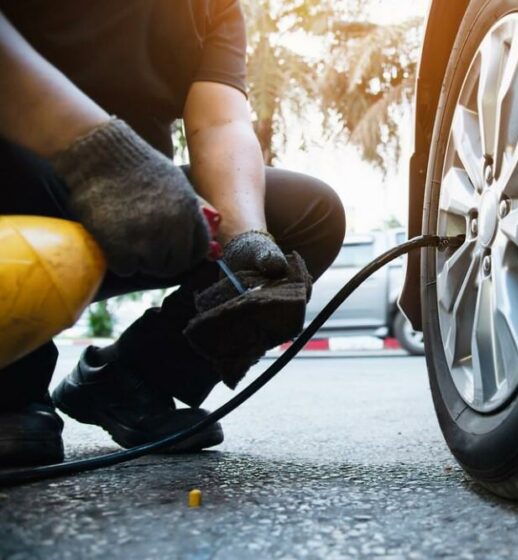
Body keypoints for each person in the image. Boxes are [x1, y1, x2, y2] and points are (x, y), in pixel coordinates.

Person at [0, 1, 346, 466]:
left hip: (135, 211)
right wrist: (98, 157)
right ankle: (12, 388)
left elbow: (220, 122)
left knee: (308, 215)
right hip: (19, 192)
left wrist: (246, 243)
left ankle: (131, 380)